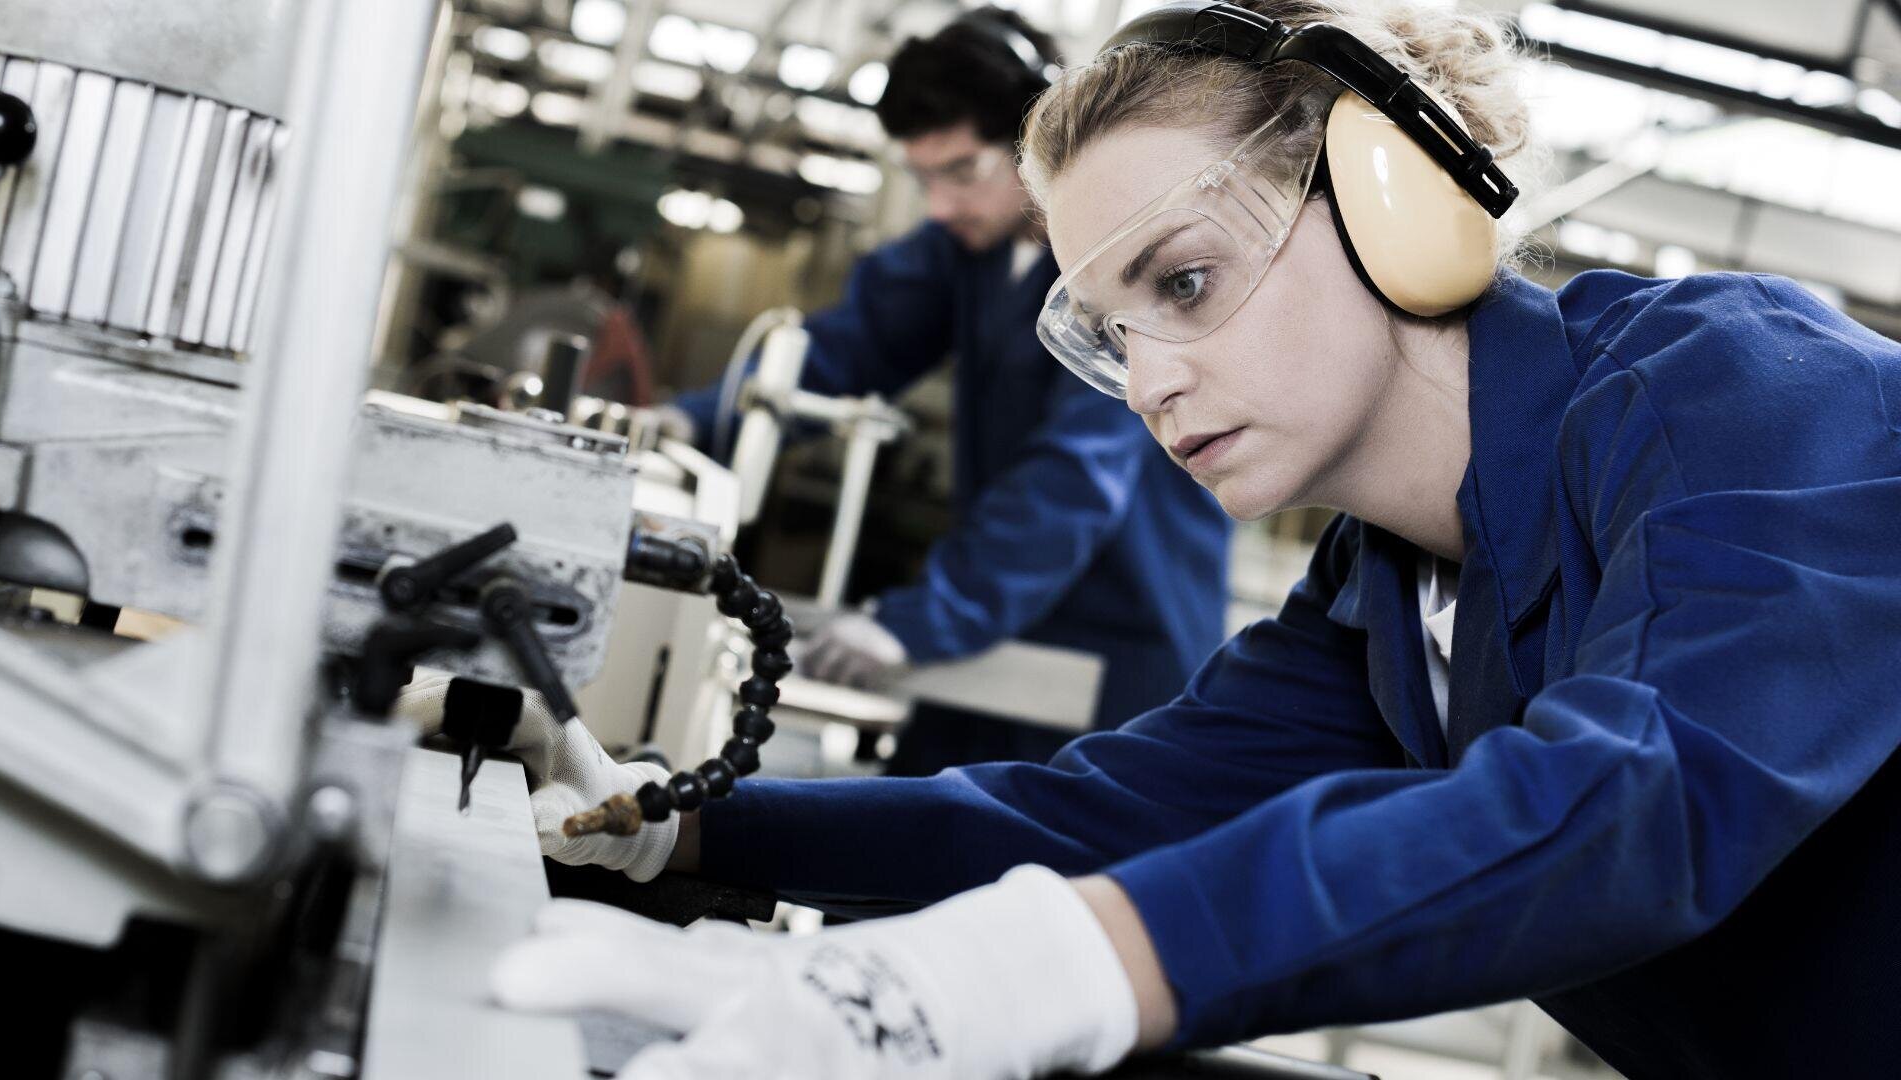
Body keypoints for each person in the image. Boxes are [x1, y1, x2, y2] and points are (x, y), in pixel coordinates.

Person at [468, 1, 1901, 1077]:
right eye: (1111, 335)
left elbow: (1637, 799)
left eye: (1188, 281)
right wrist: (683, 827)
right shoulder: (1387, 600)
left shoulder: (1741, 393)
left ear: (1398, 195)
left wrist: (1032, 970)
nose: (1150, 382)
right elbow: (1088, 815)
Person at [666, 7, 1234, 773]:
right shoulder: (965, 254)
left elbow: (1072, 481)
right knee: (906, 841)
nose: (940, 205)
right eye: (922, 177)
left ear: (1037, 139)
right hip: (988, 621)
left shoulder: (1124, 270)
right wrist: (686, 424)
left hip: (1113, 648)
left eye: (961, 172)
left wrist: (923, 622)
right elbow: (844, 349)